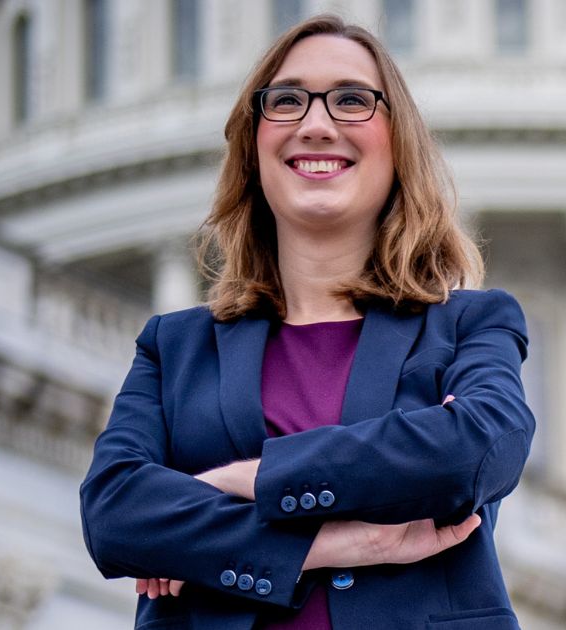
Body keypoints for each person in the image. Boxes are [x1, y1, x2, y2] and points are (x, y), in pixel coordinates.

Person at [79, 14, 535, 630]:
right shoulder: (176, 347)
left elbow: (481, 448)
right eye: (287, 101)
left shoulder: (469, 326)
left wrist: (241, 481)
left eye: (352, 101)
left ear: (398, 144)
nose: (316, 125)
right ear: (253, 148)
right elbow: (115, 513)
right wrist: (342, 544)